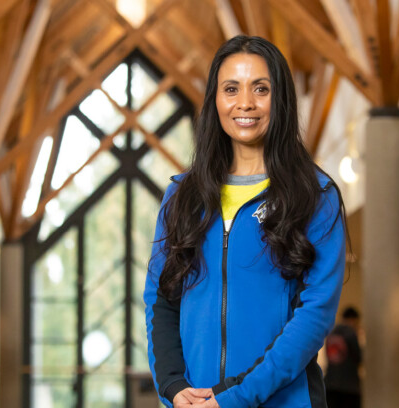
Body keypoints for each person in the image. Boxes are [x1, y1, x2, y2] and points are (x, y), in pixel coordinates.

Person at [144, 35, 349, 408]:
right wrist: (173, 385)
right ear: (215, 100)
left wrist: (234, 397)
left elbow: (314, 316)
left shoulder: (315, 196)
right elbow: (161, 298)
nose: (245, 103)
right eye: (231, 89)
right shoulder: (182, 196)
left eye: (261, 88)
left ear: (280, 99)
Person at [324, 307, 362, 408]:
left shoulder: (331, 333)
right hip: (349, 387)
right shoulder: (351, 334)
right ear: (353, 319)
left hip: (330, 384)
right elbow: (358, 357)